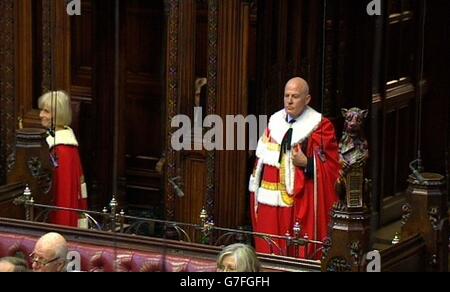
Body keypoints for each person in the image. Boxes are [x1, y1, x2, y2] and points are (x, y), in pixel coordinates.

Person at [249, 77, 340, 259]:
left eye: (295, 96)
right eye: (286, 96)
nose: (289, 101)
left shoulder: (320, 126)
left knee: (290, 253)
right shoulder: (274, 122)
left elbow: (332, 168)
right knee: (268, 250)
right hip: (268, 199)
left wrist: (307, 163)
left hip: (296, 203)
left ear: (307, 100)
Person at [38, 91, 88, 227]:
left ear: (58, 115)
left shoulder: (61, 149)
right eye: (41, 110)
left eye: (46, 111)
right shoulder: (59, 139)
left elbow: (64, 196)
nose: (41, 115)